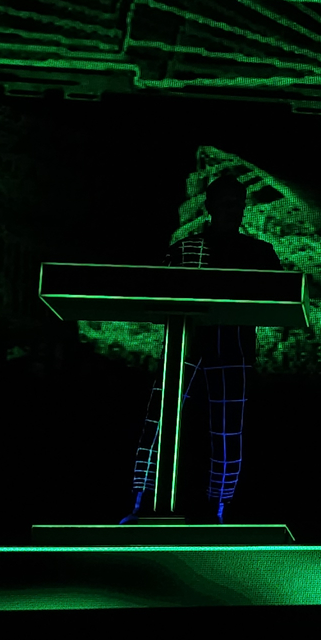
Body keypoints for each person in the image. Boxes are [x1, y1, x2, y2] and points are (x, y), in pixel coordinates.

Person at [120, 173, 284, 525]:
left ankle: (220, 510)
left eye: (237, 204)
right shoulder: (184, 249)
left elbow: (279, 298)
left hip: (233, 345)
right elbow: (157, 291)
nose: (232, 210)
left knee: (227, 429)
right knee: (158, 421)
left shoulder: (259, 252)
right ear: (210, 206)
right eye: (226, 203)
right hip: (186, 341)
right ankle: (140, 502)